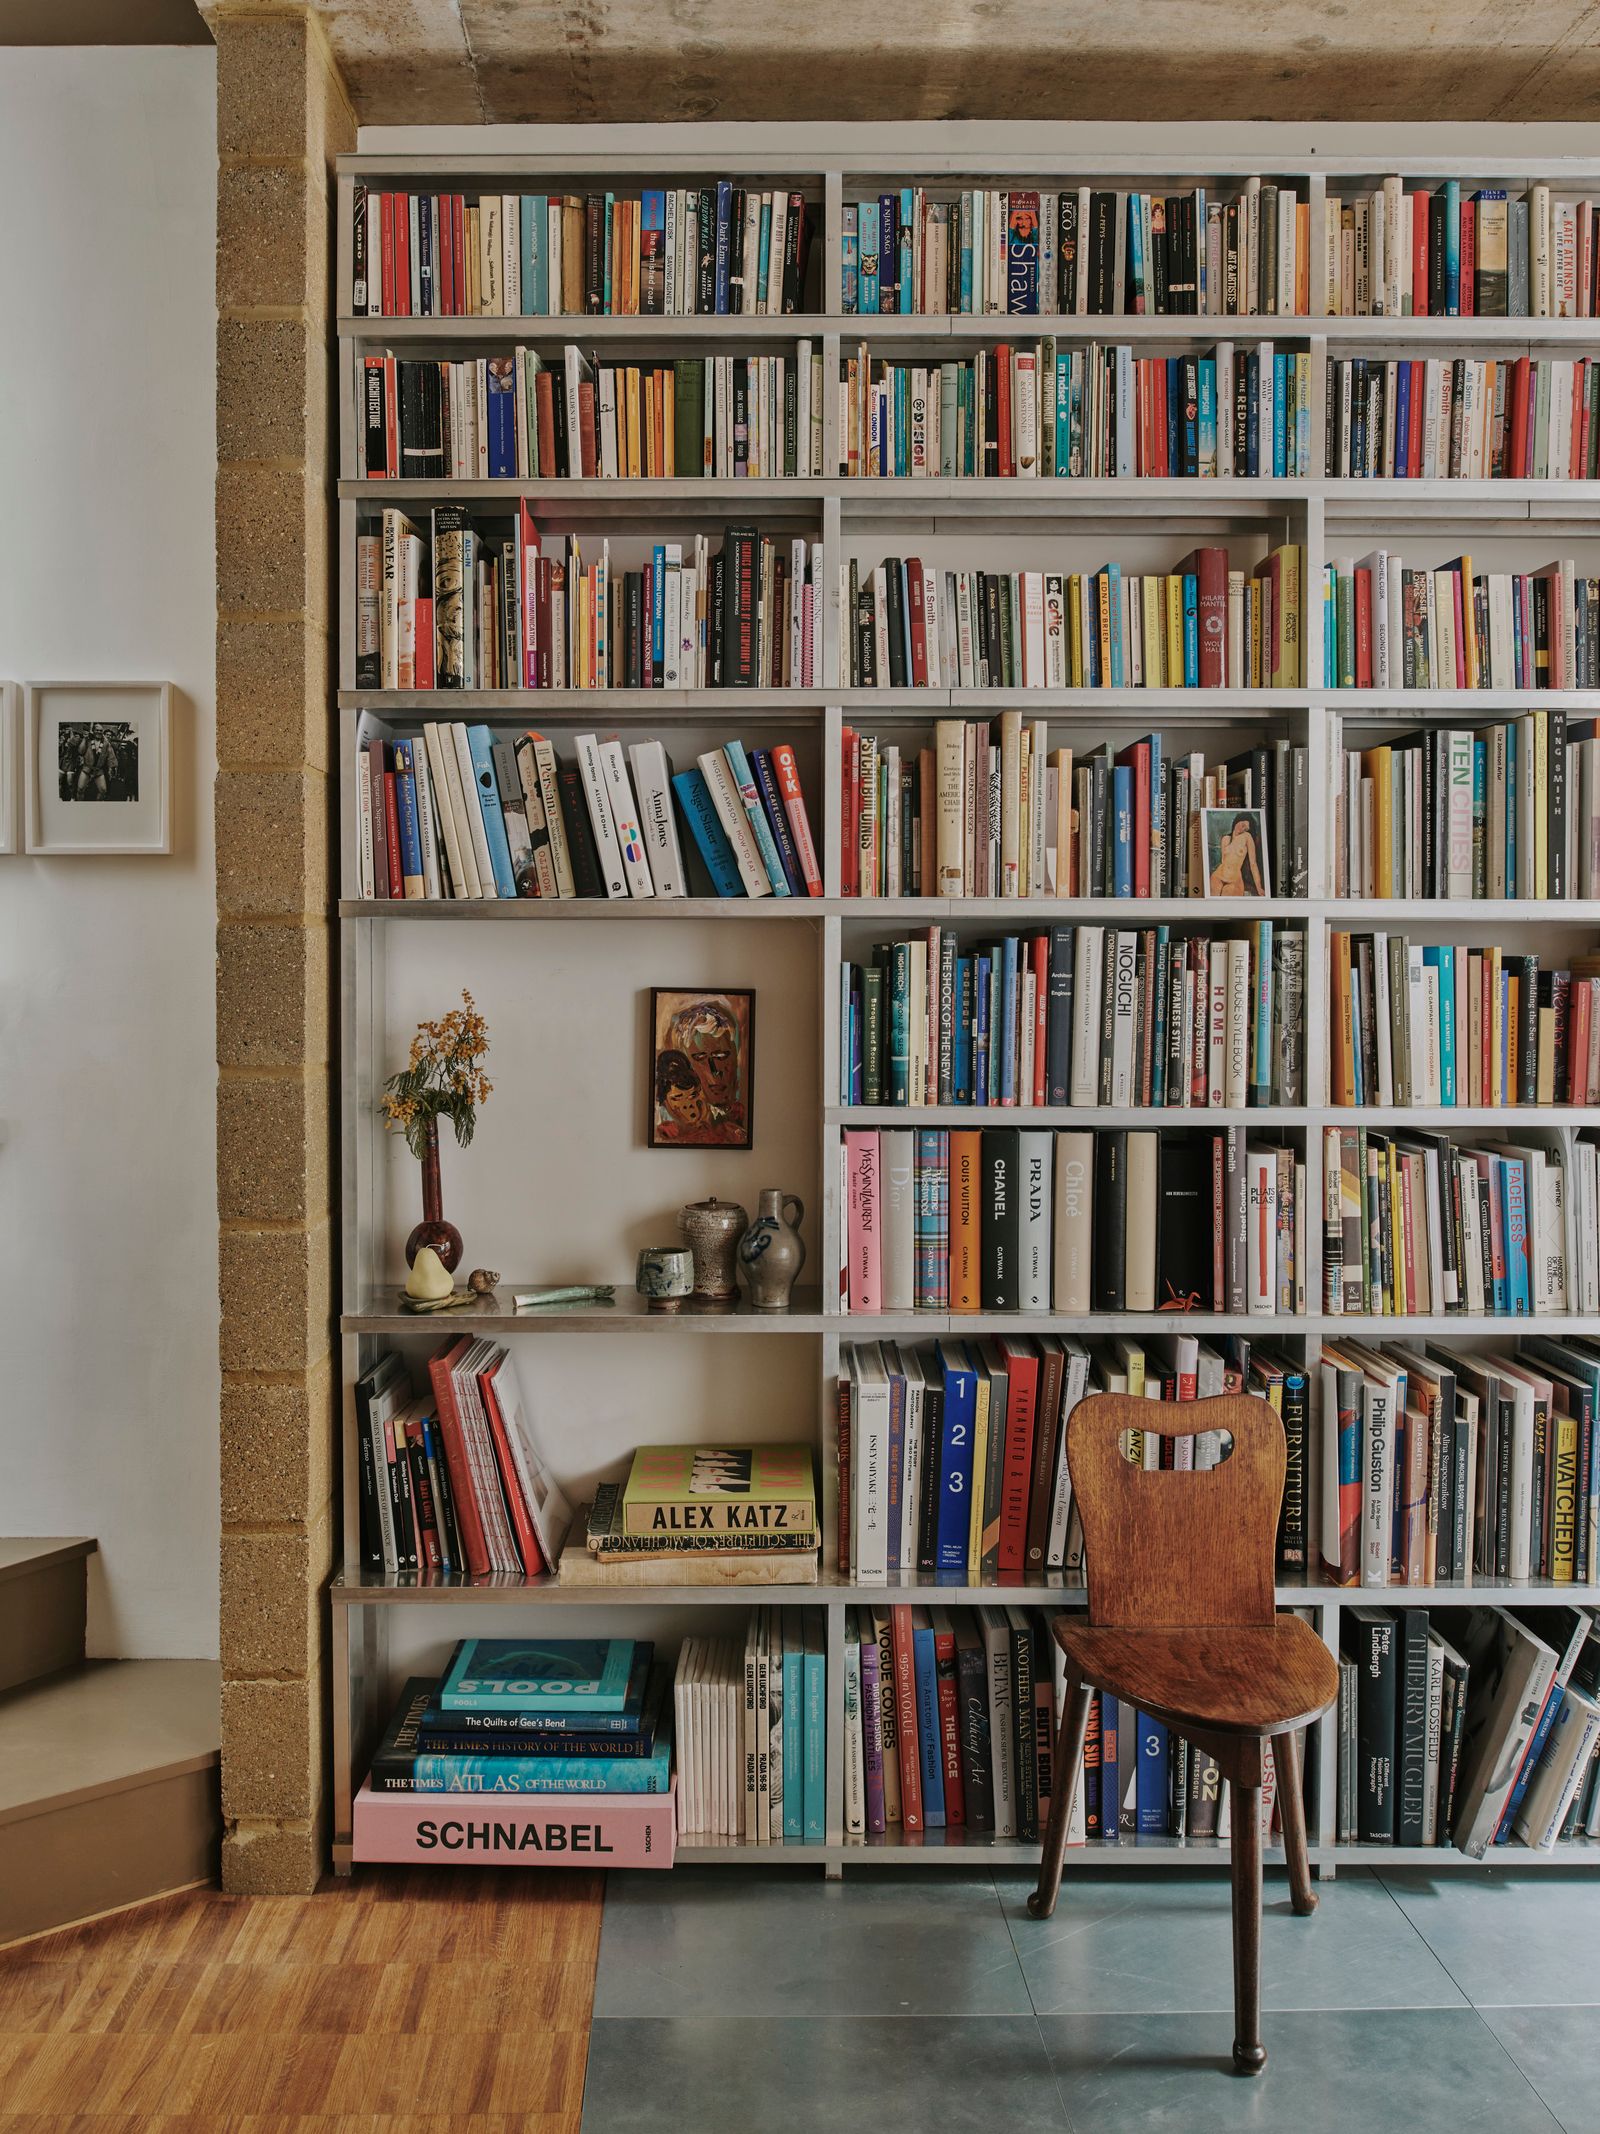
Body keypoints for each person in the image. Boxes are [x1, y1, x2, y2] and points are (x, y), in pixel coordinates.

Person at [1210, 813, 1264, 897]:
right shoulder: (1225, 839)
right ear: (1237, 821)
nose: (1243, 829)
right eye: (1243, 825)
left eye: (1246, 829)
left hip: (1234, 880)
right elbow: (1223, 861)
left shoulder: (1247, 837)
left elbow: (1253, 864)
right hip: (1218, 876)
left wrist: (1259, 887)